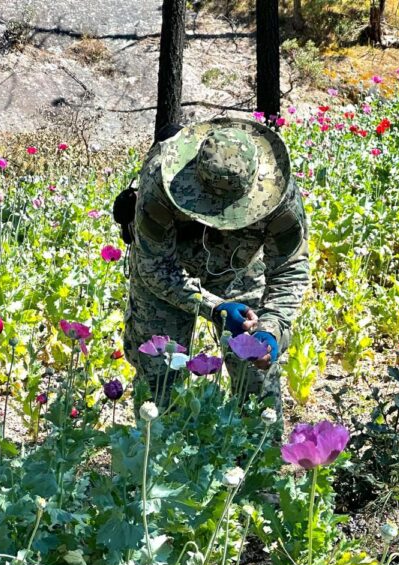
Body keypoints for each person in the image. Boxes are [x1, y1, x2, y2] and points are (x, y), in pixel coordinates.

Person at [120, 118, 309, 417]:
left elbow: (290, 267)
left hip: (240, 267)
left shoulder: (277, 190)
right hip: (171, 270)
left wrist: (272, 327)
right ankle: (157, 443)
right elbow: (155, 267)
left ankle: (257, 447)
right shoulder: (160, 180)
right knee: (159, 376)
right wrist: (214, 307)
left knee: (256, 376)